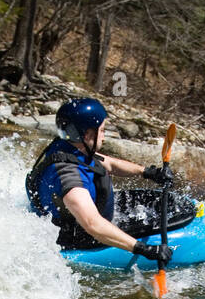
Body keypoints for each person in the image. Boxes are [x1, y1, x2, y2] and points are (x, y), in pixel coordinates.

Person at [26, 98, 175, 263]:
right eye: (102, 130)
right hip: (81, 238)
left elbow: (108, 163)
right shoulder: (70, 179)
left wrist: (148, 172)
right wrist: (145, 249)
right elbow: (93, 224)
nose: (104, 137)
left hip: (86, 221)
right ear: (87, 134)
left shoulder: (70, 146)